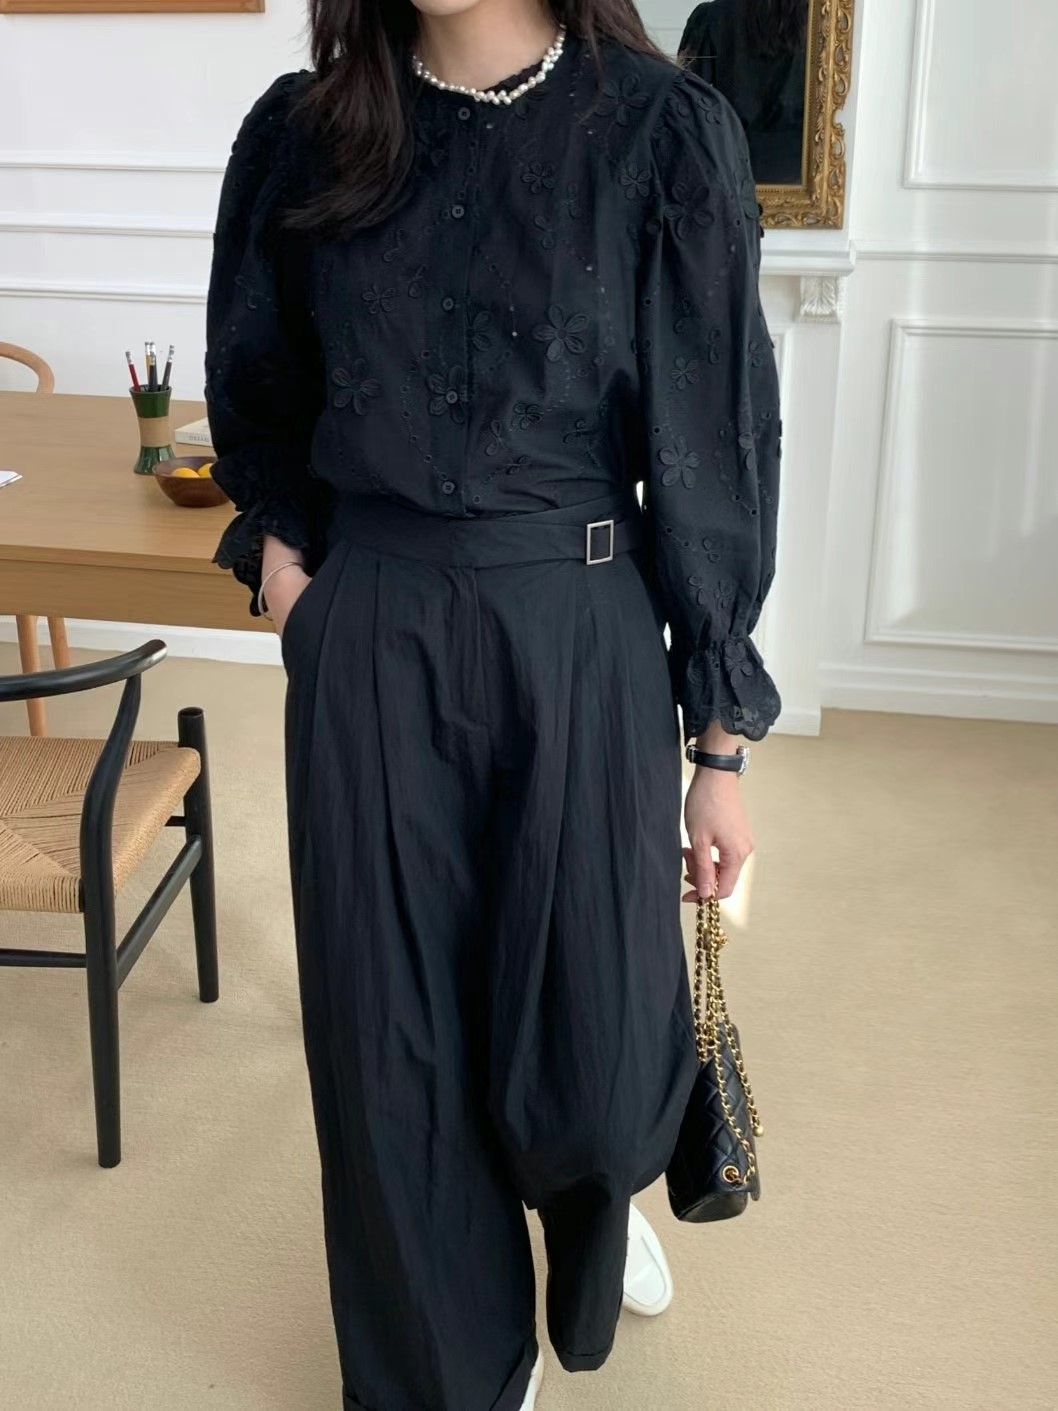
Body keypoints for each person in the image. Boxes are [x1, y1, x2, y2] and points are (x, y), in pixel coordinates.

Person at [204, 1, 781, 1407]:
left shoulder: (661, 131)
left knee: (595, 1040)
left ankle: (594, 1193)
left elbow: (710, 443)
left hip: (576, 619)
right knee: (387, 1038)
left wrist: (716, 742)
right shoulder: (305, 131)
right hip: (372, 619)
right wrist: (289, 574)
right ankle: (449, 1371)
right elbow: (259, 385)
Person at [678, 0, 808, 184]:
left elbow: (685, 112)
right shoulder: (823, 23)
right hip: (804, 178)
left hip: (728, 172)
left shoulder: (712, 17)